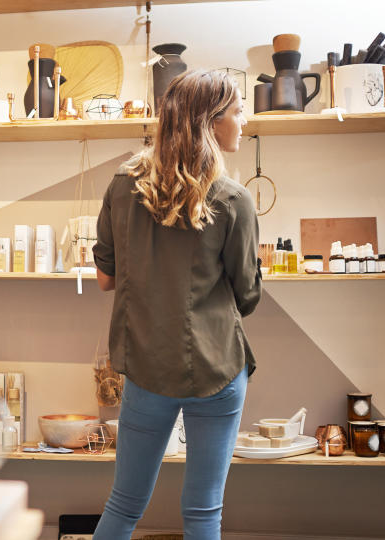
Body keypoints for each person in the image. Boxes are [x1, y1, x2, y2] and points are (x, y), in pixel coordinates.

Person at [92, 69, 261, 540]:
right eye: (237, 110)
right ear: (210, 121)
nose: (245, 120)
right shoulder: (234, 200)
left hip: (147, 368)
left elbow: (106, 279)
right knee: (204, 512)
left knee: (124, 506)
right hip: (218, 370)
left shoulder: (123, 186)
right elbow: (248, 297)